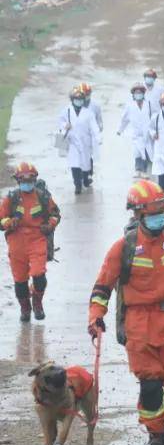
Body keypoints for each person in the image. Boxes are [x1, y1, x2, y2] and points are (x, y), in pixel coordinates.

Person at [88, 180, 164, 445]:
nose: (159, 217)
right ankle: (155, 435)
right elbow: (103, 286)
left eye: (161, 211)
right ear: (139, 214)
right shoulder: (124, 247)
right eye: (153, 212)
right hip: (139, 323)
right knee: (150, 385)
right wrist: (95, 316)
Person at [0, 162, 60, 322]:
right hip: (16, 244)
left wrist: (50, 225)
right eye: (23, 180)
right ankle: (25, 308)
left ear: (34, 180)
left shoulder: (43, 197)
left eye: (30, 180)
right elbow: (1, 218)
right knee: (20, 283)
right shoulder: (11, 198)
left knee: (39, 276)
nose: (27, 183)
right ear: (18, 181)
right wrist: (8, 223)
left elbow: (55, 214)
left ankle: (37, 302)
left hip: (37, 240)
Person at [57, 86, 98, 194]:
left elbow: (94, 127)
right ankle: (77, 185)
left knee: (85, 164)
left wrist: (98, 138)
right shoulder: (66, 111)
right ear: (72, 100)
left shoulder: (88, 113)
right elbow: (60, 121)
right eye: (76, 99)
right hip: (72, 142)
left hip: (85, 142)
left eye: (80, 99)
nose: (78, 101)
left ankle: (85, 179)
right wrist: (65, 125)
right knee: (74, 164)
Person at [117, 83, 153, 174]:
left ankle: (144, 171)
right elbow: (124, 119)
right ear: (133, 94)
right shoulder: (130, 106)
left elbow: (154, 118)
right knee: (137, 152)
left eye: (140, 92)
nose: (138, 94)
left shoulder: (148, 105)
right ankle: (138, 170)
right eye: (136, 93)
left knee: (146, 153)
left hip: (147, 134)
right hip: (136, 135)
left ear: (143, 94)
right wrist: (120, 130)